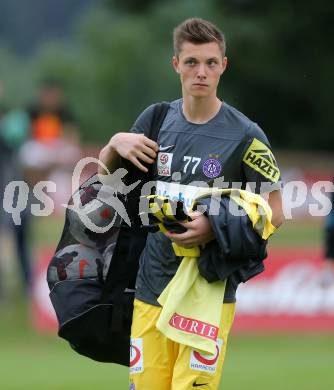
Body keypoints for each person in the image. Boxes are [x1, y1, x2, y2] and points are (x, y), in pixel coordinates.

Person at [99, 18, 284, 390]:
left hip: (208, 293)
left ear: (223, 66)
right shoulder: (156, 120)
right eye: (191, 62)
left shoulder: (245, 134)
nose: (201, 72)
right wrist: (113, 144)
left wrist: (213, 225)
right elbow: (106, 184)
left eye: (210, 63)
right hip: (151, 286)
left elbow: (276, 211)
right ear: (176, 64)